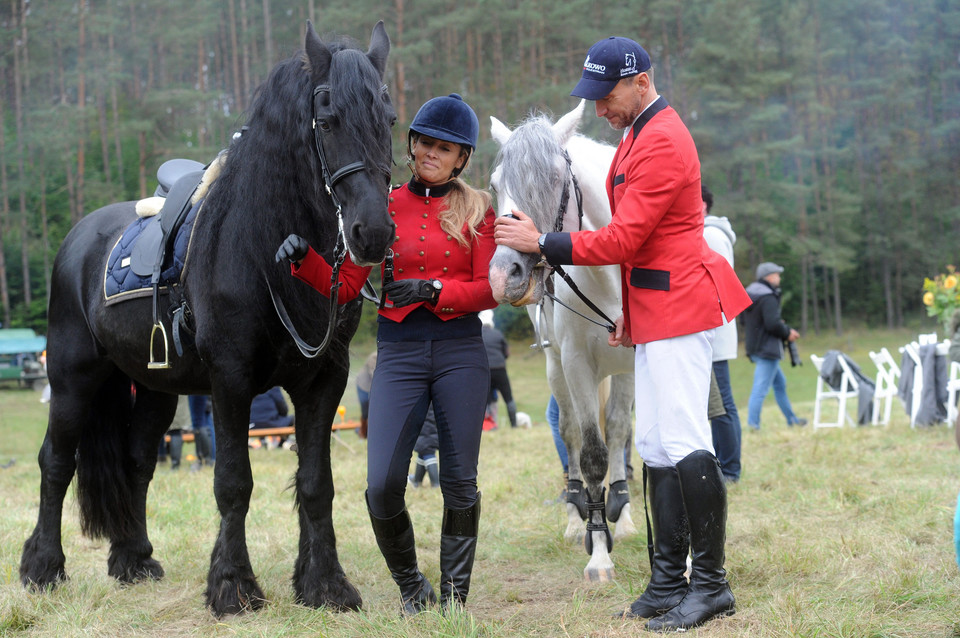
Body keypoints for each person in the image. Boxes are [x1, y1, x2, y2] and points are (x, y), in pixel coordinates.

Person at [494, 36, 751, 631]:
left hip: (682, 304)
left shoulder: (662, 139)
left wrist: (543, 244)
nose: (601, 108)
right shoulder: (635, 133)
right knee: (655, 443)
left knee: (686, 439)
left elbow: (625, 240)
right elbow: (637, 251)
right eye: (595, 98)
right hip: (652, 307)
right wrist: (629, 313)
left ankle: (710, 584)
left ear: (641, 81)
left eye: (607, 95)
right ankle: (666, 580)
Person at [275, 93, 497, 613]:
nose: (430, 153)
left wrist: (434, 292)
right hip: (398, 355)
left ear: (462, 157)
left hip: (461, 350)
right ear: (410, 144)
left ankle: (455, 600)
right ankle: (413, 588)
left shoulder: (480, 209)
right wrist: (304, 261)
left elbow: (491, 288)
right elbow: (348, 284)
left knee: (460, 481)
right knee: (381, 486)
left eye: (444, 148)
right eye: (423, 142)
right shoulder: (385, 204)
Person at [702, 185, 742, 483]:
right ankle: (722, 464)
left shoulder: (710, 234)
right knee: (717, 402)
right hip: (712, 328)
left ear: (702, 204)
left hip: (714, 329)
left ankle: (730, 469)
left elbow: (716, 282)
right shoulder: (707, 232)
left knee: (722, 403)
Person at [743, 262, 807, 430]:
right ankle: (753, 425)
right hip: (768, 349)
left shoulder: (750, 293)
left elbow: (745, 321)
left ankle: (792, 420)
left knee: (780, 384)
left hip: (755, 346)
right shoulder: (768, 296)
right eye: (777, 274)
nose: (779, 278)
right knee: (760, 388)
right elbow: (772, 324)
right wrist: (787, 332)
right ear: (769, 276)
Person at [480, 310, 517, 428]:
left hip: (485, 371)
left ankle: (490, 425)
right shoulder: (497, 334)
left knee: (487, 400)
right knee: (508, 398)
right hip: (500, 369)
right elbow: (506, 353)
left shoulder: (478, 335)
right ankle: (514, 424)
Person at [409, 405, 440, 488]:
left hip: (426, 418)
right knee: (423, 449)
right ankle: (417, 480)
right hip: (432, 417)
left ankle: (436, 483)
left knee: (428, 450)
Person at [188, 395, 216, 469]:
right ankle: (212, 458)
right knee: (208, 422)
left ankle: (203, 460)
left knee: (198, 423)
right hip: (208, 391)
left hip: (197, 390)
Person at [355, 351, 377, 439]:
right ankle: (363, 433)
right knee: (365, 412)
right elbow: (374, 374)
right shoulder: (374, 357)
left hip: (374, 387)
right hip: (363, 386)